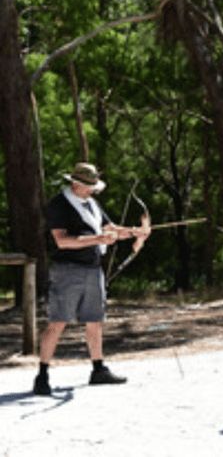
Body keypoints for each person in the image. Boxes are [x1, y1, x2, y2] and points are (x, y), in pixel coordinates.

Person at [33, 162, 151, 396]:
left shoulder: (92, 204)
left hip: (93, 269)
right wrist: (98, 239)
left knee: (95, 320)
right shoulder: (59, 205)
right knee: (58, 322)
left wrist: (134, 232)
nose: (93, 190)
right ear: (75, 184)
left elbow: (109, 228)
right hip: (67, 271)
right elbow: (62, 240)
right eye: (89, 186)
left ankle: (98, 369)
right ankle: (42, 375)